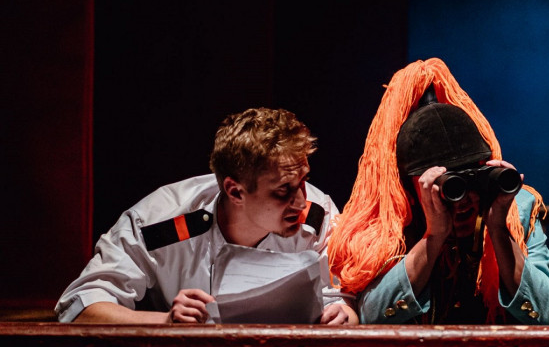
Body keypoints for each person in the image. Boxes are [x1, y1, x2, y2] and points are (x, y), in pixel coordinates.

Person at [328, 58, 549, 325]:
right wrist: (433, 237)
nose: (463, 202)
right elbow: (372, 316)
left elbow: (547, 317)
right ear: (410, 189)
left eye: (470, 181)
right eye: (450, 187)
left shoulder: (517, 209)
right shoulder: (388, 225)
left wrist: (499, 230)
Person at [55, 107, 358, 325]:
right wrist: (165, 321)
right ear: (235, 191)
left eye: (304, 180)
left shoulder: (319, 215)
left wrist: (342, 315)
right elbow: (80, 306)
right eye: (283, 190)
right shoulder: (159, 222)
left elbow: (345, 302)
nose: (301, 200)